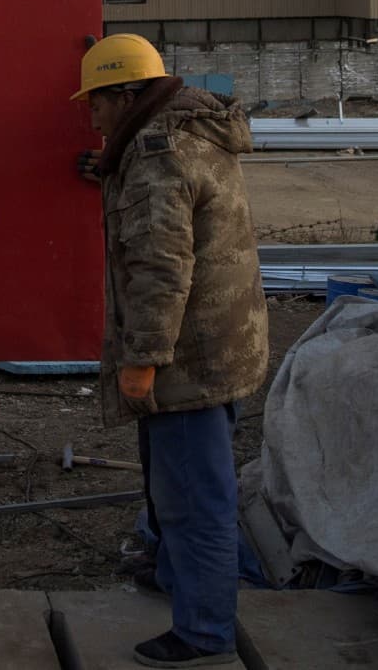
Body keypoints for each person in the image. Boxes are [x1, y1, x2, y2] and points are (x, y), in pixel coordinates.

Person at [70, 34, 265, 670]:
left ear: (125, 95)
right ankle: (176, 581)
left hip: (186, 357)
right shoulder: (190, 128)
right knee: (175, 483)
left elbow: (160, 264)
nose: (91, 118)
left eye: (96, 104)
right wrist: (105, 169)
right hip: (222, 340)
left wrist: (142, 359)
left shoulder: (157, 154)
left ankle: (205, 632)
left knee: (191, 497)